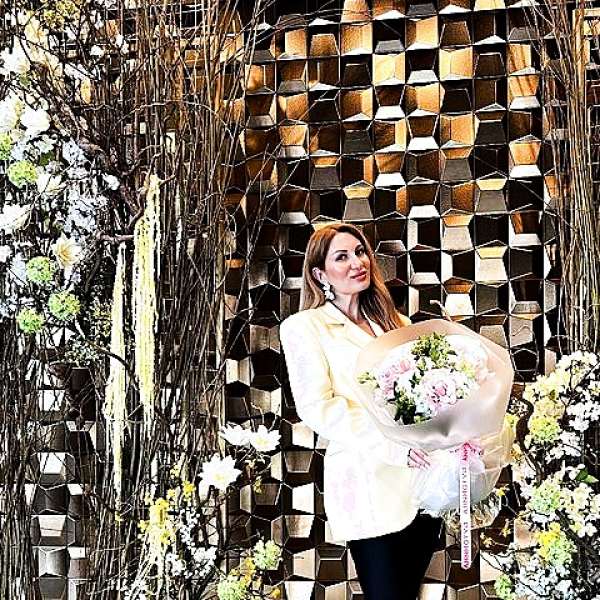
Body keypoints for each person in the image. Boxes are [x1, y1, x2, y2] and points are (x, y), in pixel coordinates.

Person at [279, 222, 444, 600]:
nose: (357, 262)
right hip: (368, 483)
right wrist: (395, 446)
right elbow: (318, 407)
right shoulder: (304, 327)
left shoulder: (396, 323)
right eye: (342, 257)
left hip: (422, 483)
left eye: (360, 252)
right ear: (320, 274)